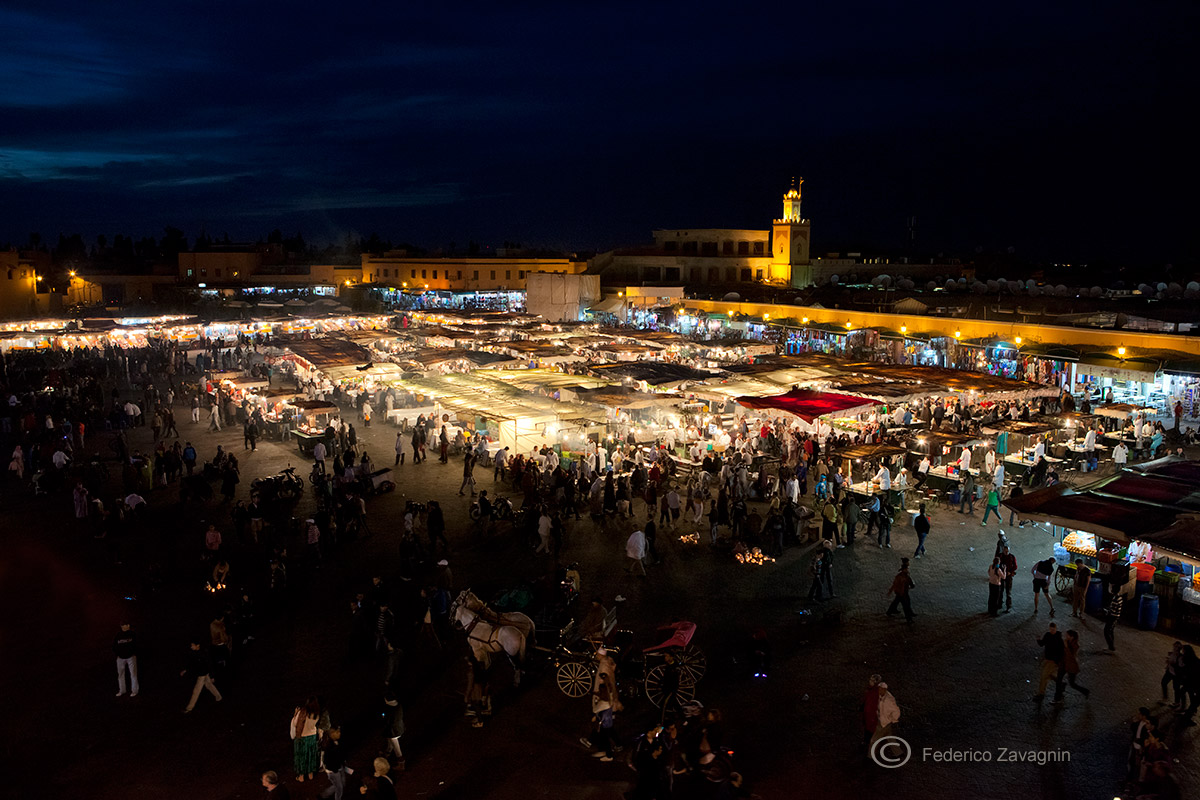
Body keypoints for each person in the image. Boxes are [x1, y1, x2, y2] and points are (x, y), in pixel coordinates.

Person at [181, 640, 222, 712]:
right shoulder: (194, 653)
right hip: (204, 674)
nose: (191, 647)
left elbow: (210, 664)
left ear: (198, 645)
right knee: (209, 685)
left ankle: (189, 708)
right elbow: (193, 664)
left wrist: (212, 676)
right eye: (191, 645)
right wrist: (186, 670)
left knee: (196, 691)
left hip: (203, 675)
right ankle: (219, 697)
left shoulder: (204, 653)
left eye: (192, 645)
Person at [1054, 630, 1090, 702]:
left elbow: (1071, 656)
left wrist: (1066, 647)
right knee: (1058, 680)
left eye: (1067, 635)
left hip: (1071, 666)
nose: (1066, 636)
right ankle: (1057, 698)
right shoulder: (1065, 642)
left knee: (1072, 684)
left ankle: (1085, 691)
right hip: (1063, 664)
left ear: (1072, 637)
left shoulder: (1075, 646)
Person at [1034, 623, 1065, 701]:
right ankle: (1060, 684)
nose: (1052, 631)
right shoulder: (1047, 635)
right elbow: (1042, 643)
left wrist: (1057, 661)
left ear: (1056, 629)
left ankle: (1041, 693)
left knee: (1044, 676)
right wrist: (1038, 640)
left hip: (1052, 661)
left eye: (1053, 629)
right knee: (1050, 675)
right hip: (1047, 659)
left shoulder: (1059, 639)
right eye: (1050, 629)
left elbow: (1061, 652)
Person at [291, 698, 320, 782]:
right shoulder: (317, 713)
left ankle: (301, 776)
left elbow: (295, 723)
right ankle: (310, 774)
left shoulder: (303, 711)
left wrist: (295, 713)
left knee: (301, 757)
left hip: (303, 737)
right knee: (311, 755)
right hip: (313, 736)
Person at [319, 726, 348, 799]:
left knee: (342, 784)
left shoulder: (336, 742)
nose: (340, 733)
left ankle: (324, 795)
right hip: (333, 771)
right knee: (339, 788)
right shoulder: (329, 747)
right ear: (332, 734)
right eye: (337, 732)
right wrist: (335, 770)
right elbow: (327, 761)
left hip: (338, 767)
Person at [871, 682, 901, 747]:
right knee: (890, 738)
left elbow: (896, 710)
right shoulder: (881, 696)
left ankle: (870, 756)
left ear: (884, 689)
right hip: (883, 720)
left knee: (873, 741)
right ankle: (899, 753)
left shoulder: (888, 700)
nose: (878, 691)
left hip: (884, 722)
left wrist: (891, 719)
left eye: (880, 689)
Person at [114, 622, 139, 697]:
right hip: (120, 658)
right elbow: (114, 645)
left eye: (124, 625)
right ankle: (122, 690)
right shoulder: (118, 635)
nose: (123, 626)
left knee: (133, 674)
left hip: (130, 657)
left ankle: (134, 691)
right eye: (122, 625)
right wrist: (118, 654)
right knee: (120, 674)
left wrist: (133, 653)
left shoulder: (132, 634)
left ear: (128, 626)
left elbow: (136, 644)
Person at [859, 674, 882, 749]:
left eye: (871, 680)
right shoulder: (872, 690)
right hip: (869, 715)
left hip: (871, 716)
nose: (869, 681)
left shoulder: (875, 692)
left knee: (870, 730)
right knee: (868, 729)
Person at [383, 692, 405, 763]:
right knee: (391, 743)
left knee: (397, 749)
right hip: (399, 727)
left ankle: (401, 763)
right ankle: (387, 752)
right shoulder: (398, 705)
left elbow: (387, 721)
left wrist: (383, 717)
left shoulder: (390, 710)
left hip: (393, 731)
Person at [1000, 546, 1017, 612]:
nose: (1006, 552)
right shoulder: (1001, 556)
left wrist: (1010, 572)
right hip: (1001, 576)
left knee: (1008, 592)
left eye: (1008, 551)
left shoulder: (1012, 557)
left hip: (1008, 576)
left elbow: (1015, 566)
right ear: (1003, 550)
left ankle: (1008, 606)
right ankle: (1000, 603)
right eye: (1005, 551)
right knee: (1000, 590)